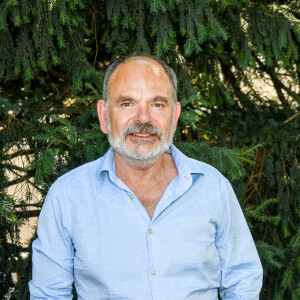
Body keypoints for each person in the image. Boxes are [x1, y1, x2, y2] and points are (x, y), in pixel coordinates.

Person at [29, 55, 263, 299]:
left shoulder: (212, 187)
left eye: (158, 104)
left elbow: (242, 281)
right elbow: (50, 294)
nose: (143, 119)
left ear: (174, 117)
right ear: (103, 115)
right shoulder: (67, 196)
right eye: (127, 103)